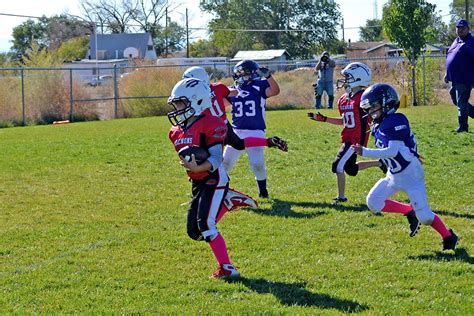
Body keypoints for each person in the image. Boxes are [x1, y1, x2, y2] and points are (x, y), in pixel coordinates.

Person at [167, 77, 258, 279]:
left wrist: (198, 164)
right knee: (195, 232)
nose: (177, 108)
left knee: (207, 226)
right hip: (197, 181)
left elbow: (216, 159)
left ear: (197, 100)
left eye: (181, 103)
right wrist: (194, 166)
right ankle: (229, 201)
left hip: (214, 178)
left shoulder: (211, 123)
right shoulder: (175, 131)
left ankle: (227, 268)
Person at [353, 83, 458, 250]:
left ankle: (448, 236)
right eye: (369, 107)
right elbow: (389, 154)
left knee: (424, 216)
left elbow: (393, 151)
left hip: (411, 176)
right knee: (373, 202)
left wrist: (364, 152)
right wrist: (372, 163)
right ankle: (409, 211)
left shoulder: (396, 120)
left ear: (387, 103)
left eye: (374, 106)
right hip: (393, 174)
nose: (371, 111)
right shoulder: (379, 125)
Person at [308, 62, 384, 204]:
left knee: (337, 165)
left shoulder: (363, 98)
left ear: (358, 78)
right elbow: (345, 121)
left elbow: (375, 116)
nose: (345, 79)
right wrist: (324, 119)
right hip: (348, 137)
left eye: (348, 76)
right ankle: (380, 163)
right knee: (350, 168)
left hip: (356, 139)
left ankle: (341, 197)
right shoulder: (344, 98)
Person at [182, 66, 288, 152]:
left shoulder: (193, 97)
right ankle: (268, 142)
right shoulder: (218, 87)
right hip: (224, 124)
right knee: (238, 144)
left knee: (209, 153)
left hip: (208, 127)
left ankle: (214, 173)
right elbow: (235, 93)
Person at [223, 60, 280, 198]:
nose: (249, 77)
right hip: (236, 131)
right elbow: (221, 105)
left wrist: (269, 76)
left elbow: (275, 91)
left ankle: (263, 191)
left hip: (256, 131)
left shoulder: (260, 86)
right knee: (226, 163)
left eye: (250, 74)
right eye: (246, 75)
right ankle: (220, 190)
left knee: (257, 163)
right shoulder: (234, 90)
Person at [444, 19, 474, 133]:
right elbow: (451, 58)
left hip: (465, 77)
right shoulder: (456, 41)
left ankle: (463, 126)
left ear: (468, 29)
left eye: (462, 28)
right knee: (455, 98)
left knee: (461, 101)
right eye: (458, 27)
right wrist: (447, 73)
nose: (460, 30)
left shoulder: (471, 42)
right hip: (455, 78)